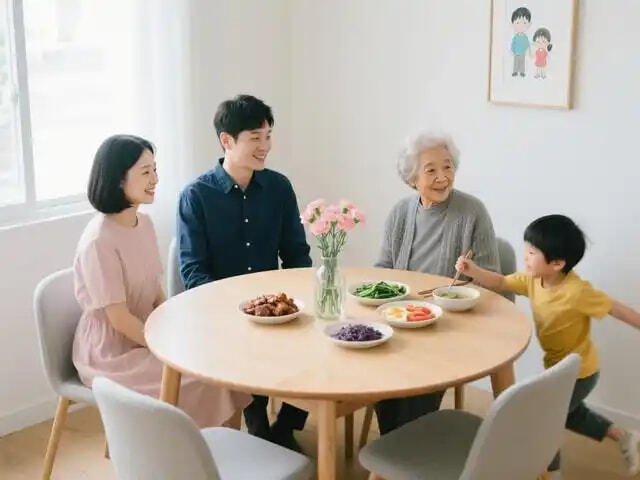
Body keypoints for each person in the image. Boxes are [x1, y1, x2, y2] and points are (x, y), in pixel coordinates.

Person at [73, 134, 250, 428]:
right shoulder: (98, 242)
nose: (155, 178)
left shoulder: (144, 223)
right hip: (111, 353)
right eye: (146, 172)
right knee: (206, 378)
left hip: (146, 333)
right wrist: (169, 347)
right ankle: (195, 449)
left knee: (221, 361)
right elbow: (119, 319)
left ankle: (224, 448)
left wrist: (180, 332)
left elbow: (155, 293)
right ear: (118, 179)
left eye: (155, 169)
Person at [456, 214, 640, 478]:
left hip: (580, 372)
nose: (525, 257)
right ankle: (623, 436)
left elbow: (617, 309)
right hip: (556, 367)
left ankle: (551, 472)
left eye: (532, 253)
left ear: (557, 263)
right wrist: (472, 270)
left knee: (543, 421)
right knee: (570, 415)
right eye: (526, 249)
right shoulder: (533, 280)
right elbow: (501, 282)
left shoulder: (577, 292)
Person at [177, 94, 311, 451]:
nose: (265, 146)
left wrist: (302, 301)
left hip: (277, 307)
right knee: (247, 347)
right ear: (227, 140)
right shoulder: (196, 195)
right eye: (255, 138)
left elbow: (296, 252)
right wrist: (235, 309)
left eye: (268, 136)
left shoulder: (279, 188)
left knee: (318, 342)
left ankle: (286, 426)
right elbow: (193, 270)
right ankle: (257, 427)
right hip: (221, 312)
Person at [374, 131, 499, 434]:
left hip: (449, 324)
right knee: (376, 365)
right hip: (401, 317)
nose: (443, 177)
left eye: (448, 166)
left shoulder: (472, 212)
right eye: (431, 170)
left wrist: (454, 294)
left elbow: (490, 280)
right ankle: (396, 444)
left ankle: (404, 443)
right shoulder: (400, 213)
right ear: (412, 179)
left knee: (417, 377)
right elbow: (383, 268)